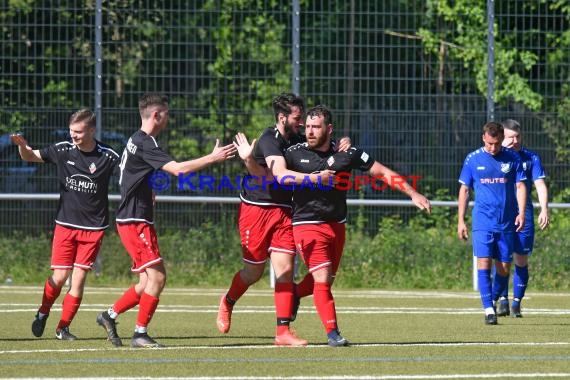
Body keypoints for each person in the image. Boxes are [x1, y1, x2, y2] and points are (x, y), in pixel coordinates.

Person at [283, 104, 431, 346]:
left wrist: (412, 193)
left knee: (326, 278)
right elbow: (271, 166)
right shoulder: (293, 153)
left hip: (336, 224)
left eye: (315, 127)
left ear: (329, 129)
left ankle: (296, 294)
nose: (309, 131)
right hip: (306, 223)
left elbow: (381, 172)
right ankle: (333, 333)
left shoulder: (347, 152)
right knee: (321, 277)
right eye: (307, 126)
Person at [96, 93, 236, 348]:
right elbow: (179, 170)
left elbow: (133, 172)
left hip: (133, 218)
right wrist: (212, 158)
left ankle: (109, 315)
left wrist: (148, 190)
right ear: (157, 115)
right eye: (167, 114)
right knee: (158, 277)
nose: (168, 118)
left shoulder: (136, 139)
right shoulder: (146, 142)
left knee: (145, 282)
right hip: (134, 220)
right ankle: (140, 333)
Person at [218, 93, 347, 346]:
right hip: (257, 209)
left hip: (286, 211)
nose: (302, 124)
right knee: (253, 272)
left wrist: (344, 141)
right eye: (298, 118)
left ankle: (282, 332)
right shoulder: (269, 139)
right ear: (282, 118)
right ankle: (228, 301)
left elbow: (325, 143)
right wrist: (247, 160)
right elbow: (275, 175)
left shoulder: (300, 138)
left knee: (285, 270)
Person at [11, 108, 119, 341]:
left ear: (92, 130)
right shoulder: (62, 150)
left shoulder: (108, 156)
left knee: (78, 281)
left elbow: (132, 176)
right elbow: (29, 156)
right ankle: (43, 312)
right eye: (72, 131)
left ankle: (62, 328)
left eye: (79, 132)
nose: (74, 136)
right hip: (65, 225)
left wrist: (149, 189)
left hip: (93, 229)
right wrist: (22, 145)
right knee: (59, 278)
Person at [457, 121, 527, 325]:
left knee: (504, 269)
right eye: (489, 144)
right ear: (483, 138)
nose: (493, 148)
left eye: (496, 144)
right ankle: (488, 309)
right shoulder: (473, 159)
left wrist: (521, 212)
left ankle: (493, 299)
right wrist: (461, 220)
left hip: (506, 222)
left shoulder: (512, 158)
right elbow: (464, 190)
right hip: (482, 222)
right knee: (483, 262)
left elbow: (521, 186)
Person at [494, 119, 549, 318]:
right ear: (502, 138)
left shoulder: (531, 158)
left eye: (518, 137)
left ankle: (516, 303)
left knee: (521, 259)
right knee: (501, 259)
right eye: (510, 137)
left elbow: (540, 185)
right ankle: (502, 301)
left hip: (524, 216)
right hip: (501, 215)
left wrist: (544, 209)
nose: (515, 141)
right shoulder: (495, 158)